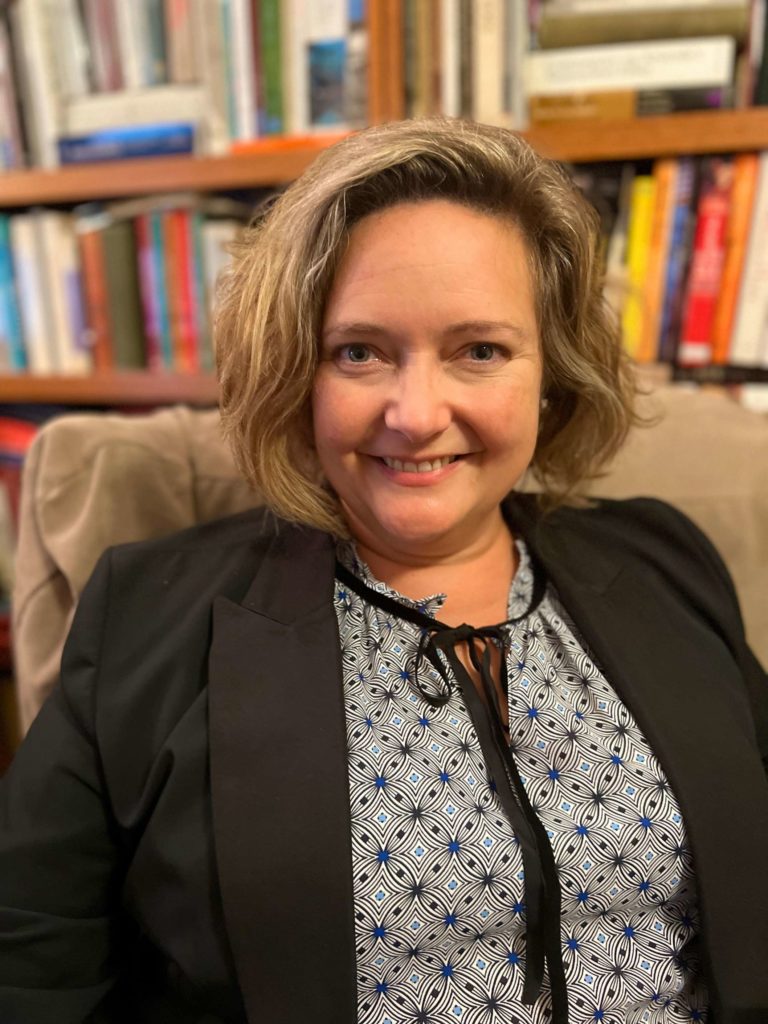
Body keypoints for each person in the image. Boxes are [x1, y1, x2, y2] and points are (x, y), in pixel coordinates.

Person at [1, 118, 766, 1024]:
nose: (416, 414)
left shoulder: (664, 560)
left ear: (551, 373)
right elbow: (30, 960)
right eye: (359, 352)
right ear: (298, 375)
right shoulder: (148, 616)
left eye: (480, 350)